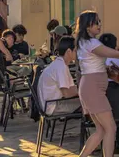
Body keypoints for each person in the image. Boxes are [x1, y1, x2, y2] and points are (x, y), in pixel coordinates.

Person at [76, 11, 119, 157]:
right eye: (96, 22)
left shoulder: (86, 42)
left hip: (91, 87)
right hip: (93, 89)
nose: (99, 25)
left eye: (99, 22)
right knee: (111, 128)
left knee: (102, 130)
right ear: (87, 26)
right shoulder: (91, 43)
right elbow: (113, 53)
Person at [37, 36, 81, 115]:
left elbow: (69, 89)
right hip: (53, 106)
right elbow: (67, 93)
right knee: (88, 101)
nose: (77, 53)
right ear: (68, 51)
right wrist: (82, 89)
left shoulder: (58, 63)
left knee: (87, 100)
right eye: (75, 50)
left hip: (49, 104)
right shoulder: (61, 67)